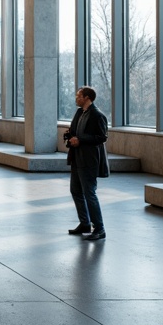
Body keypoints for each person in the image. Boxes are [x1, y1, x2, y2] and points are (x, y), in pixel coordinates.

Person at [65, 85, 110, 241]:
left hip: (89, 160)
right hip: (77, 158)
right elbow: (75, 132)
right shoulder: (80, 113)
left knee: (89, 193)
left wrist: (81, 140)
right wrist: (69, 135)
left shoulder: (97, 115)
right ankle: (85, 224)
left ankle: (100, 228)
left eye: (79, 95)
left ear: (87, 98)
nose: (76, 98)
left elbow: (102, 137)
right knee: (75, 191)